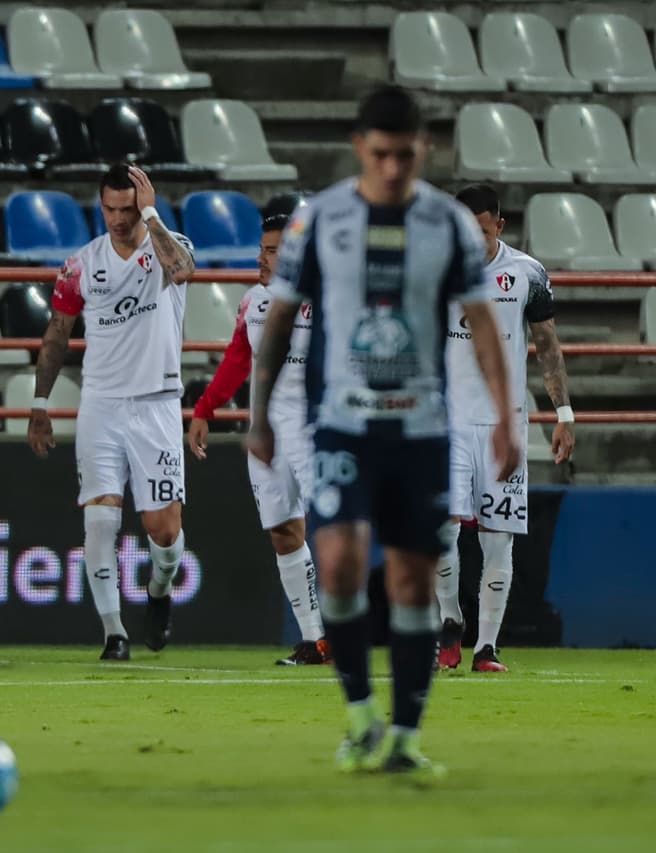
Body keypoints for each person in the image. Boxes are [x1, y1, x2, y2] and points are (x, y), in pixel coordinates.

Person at [245, 85, 519, 777]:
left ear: (421, 148)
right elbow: (280, 318)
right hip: (342, 424)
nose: (394, 167)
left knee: (411, 577)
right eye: (381, 154)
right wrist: (258, 414)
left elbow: (483, 322)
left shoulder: (448, 225)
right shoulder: (321, 221)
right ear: (359, 148)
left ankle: (403, 733)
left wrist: (509, 416)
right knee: (337, 563)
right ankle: (361, 714)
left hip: (422, 428)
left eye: (405, 154)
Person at [28, 164, 196, 661]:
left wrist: (152, 214)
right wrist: (40, 404)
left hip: (157, 403)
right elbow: (58, 333)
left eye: (127, 208)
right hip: (100, 404)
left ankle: (159, 592)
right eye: (110, 208)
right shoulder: (80, 264)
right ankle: (113, 633)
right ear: (98, 205)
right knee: (100, 521)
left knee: (163, 530)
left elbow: (184, 272)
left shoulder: (169, 246)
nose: (118, 219)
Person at [436, 184, 575, 672]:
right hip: (447, 423)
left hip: (504, 427)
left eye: (479, 230)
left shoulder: (527, 273)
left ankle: (487, 647)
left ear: (499, 224)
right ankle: (450, 624)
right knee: (442, 533)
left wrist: (563, 414)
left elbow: (548, 345)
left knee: (498, 538)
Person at [188, 214, 329, 666]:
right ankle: (315, 639)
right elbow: (237, 359)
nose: (261, 258)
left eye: (272, 250)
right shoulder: (253, 301)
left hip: (316, 428)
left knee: (337, 531)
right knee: (283, 530)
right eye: (261, 249)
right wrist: (206, 408)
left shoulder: (326, 297)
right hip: (267, 431)